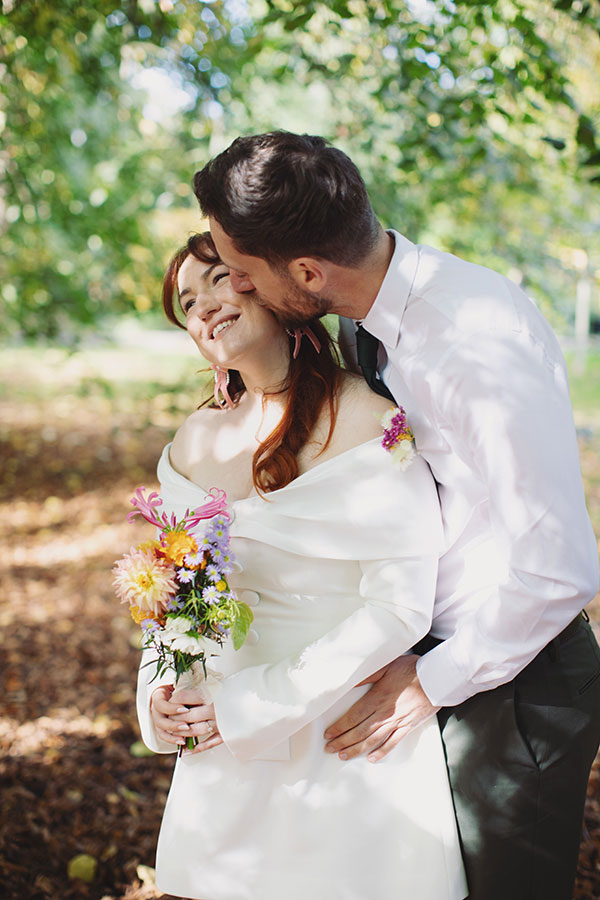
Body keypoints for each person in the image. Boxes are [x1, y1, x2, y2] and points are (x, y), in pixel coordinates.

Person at [192, 131, 600, 900]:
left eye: (243, 274)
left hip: (515, 683)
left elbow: (560, 569)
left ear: (308, 271)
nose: (236, 291)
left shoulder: (475, 346)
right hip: (438, 655)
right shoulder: (368, 312)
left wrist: (431, 681)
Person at [136, 232, 467, 900]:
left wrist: (252, 705)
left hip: (341, 732)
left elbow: (399, 606)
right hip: (222, 743)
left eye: (220, 279)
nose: (203, 307)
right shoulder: (196, 439)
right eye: (187, 301)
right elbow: (173, 592)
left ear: (272, 282)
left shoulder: (371, 420)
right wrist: (158, 693)